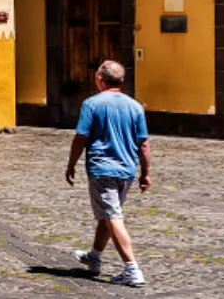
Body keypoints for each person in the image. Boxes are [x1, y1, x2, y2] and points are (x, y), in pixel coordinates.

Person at [65, 59, 151, 287]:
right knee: (108, 214)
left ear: (99, 80)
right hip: (127, 169)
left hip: (102, 168)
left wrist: (71, 163)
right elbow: (143, 144)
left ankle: (132, 269)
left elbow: (81, 137)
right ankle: (93, 257)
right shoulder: (135, 106)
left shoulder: (91, 104)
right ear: (122, 81)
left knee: (113, 216)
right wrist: (145, 173)